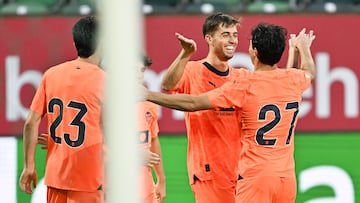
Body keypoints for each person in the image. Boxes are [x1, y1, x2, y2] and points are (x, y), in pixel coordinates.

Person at [143, 23, 316, 203]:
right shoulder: (293, 80)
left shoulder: (245, 84)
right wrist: (302, 48)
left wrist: (148, 94)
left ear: (254, 52)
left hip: (255, 177)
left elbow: (193, 103)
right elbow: (308, 72)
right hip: (286, 178)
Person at [160, 12, 249, 203]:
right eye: (225, 34)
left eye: (235, 35)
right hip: (209, 171)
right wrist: (185, 53)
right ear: (209, 38)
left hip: (241, 171)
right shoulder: (193, 70)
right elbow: (168, 85)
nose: (232, 40)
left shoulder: (240, 77)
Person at [19, 16, 106, 203]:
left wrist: (29, 166)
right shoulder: (105, 81)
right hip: (89, 180)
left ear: (76, 42)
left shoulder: (51, 74)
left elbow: (30, 123)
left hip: (56, 177)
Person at [137, 54, 166, 203]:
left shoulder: (149, 104)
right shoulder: (107, 103)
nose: (137, 75)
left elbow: (153, 141)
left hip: (144, 186)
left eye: (141, 70)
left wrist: (161, 180)